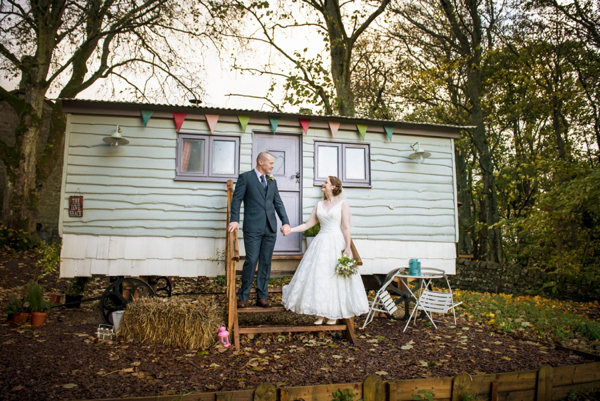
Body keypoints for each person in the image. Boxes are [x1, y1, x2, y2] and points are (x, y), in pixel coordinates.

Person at [281, 176, 369, 325]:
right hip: (321, 242)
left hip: (336, 242)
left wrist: (347, 247)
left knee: (334, 277)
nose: (323, 184)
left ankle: (332, 314)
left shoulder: (342, 204)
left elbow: (346, 227)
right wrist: (291, 230)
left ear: (334, 187)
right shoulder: (319, 204)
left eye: (326, 182)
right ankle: (320, 313)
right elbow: (308, 225)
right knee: (320, 276)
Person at [228, 152, 291, 308]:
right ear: (260, 161)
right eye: (270, 163)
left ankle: (262, 296)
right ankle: (243, 296)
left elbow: (278, 203)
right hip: (252, 227)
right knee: (251, 260)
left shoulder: (272, 181)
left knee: (266, 262)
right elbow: (236, 200)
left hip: (270, 227)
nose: (273, 166)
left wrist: (286, 222)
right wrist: (234, 219)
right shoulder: (246, 178)